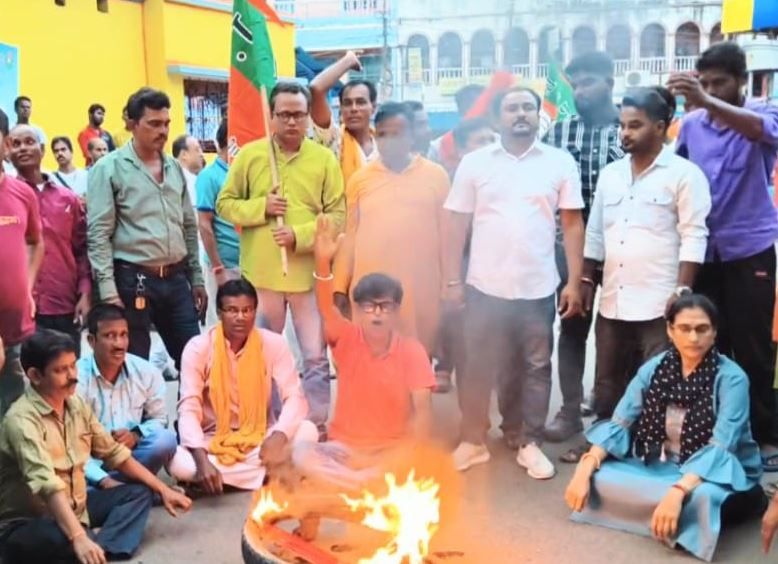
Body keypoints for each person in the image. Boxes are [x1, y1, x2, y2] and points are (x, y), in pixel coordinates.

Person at [445, 87, 585, 479]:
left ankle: (530, 443)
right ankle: (473, 442)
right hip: (483, 288)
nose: (520, 113)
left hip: (537, 287)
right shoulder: (475, 163)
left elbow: (572, 224)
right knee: (475, 365)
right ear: (497, 117)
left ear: (538, 115)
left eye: (528, 107)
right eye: (512, 108)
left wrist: (575, 281)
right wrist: (451, 279)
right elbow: (455, 224)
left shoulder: (559, 163)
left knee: (537, 367)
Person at [564, 294, 765, 562]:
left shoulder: (732, 378)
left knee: (703, 497)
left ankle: (673, 511)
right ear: (670, 331)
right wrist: (584, 467)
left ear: (714, 333)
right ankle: (669, 515)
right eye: (684, 328)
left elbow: (722, 446)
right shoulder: (654, 369)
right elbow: (620, 421)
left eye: (702, 329)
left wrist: (678, 491)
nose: (693, 338)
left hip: (717, 472)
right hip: (663, 462)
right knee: (599, 477)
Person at [217, 82, 345, 434]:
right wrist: (262, 208)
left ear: (308, 117)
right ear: (271, 117)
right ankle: (270, 423)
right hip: (262, 276)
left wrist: (300, 236)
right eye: (284, 114)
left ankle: (315, 424)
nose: (292, 122)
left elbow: (338, 215)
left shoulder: (323, 159)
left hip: (307, 275)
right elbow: (224, 205)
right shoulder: (250, 156)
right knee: (263, 356)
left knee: (315, 356)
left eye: (299, 115)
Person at [583, 86, 711, 436]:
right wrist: (584, 283)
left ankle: (652, 446)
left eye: (635, 125)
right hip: (613, 299)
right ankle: (601, 442)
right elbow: (595, 233)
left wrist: (682, 289)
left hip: (659, 301)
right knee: (606, 380)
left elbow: (694, 235)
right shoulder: (611, 175)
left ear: (660, 126)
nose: (625, 133)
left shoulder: (685, 175)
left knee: (658, 378)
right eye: (622, 125)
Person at [0, 330, 191, 563]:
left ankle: (99, 552)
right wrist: (78, 536)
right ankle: (84, 545)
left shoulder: (74, 404)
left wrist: (164, 489)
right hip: (31, 522)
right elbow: (47, 485)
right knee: (63, 537)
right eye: (61, 370)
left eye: (73, 366)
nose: (73, 376)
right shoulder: (21, 421)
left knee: (138, 493)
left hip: (77, 508)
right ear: (35, 375)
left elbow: (114, 453)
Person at [669, 42, 778, 452]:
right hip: (703, 252)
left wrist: (705, 100)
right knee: (706, 342)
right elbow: (675, 175)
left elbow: (761, 132)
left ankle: (763, 436)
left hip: (749, 249)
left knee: (752, 347)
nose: (712, 89)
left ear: (742, 81)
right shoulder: (692, 126)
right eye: (705, 82)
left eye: (720, 83)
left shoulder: (764, 113)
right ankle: (714, 432)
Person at [291, 214, 434, 503]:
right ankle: (362, 487)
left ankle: (353, 488)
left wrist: (409, 456)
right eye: (369, 306)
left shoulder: (412, 351)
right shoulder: (346, 338)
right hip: (344, 450)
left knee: (412, 465)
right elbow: (325, 306)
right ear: (356, 310)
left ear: (396, 310)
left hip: (389, 453)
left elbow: (423, 416)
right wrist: (322, 261)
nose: (378, 313)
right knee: (301, 453)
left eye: (385, 306)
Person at [87, 87, 206, 371]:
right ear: (132, 124)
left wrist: (197, 278)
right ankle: (144, 418)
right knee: (134, 365)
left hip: (176, 278)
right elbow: (98, 234)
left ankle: (187, 417)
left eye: (166, 123)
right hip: (133, 281)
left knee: (195, 361)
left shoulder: (175, 168)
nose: (162, 130)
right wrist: (108, 291)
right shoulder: (109, 168)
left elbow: (189, 225)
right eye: (154, 123)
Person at [543, 52, 625, 445]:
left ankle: (613, 414)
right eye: (575, 85)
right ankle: (569, 411)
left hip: (622, 251)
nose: (580, 92)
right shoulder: (558, 133)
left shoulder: (630, 126)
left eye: (588, 82)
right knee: (572, 329)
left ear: (610, 82)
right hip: (570, 253)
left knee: (615, 334)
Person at [168, 279, 316, 494]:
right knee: (179, 463)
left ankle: (219, 482)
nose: (240, 317)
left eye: (247, 310)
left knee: (308, 431)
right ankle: (271, 475)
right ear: (219, 313)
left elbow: (294, 397)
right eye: (232, 310)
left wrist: (279, 436)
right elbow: (188, 407)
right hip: (214, 441)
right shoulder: (198, 348)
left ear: (255, 312)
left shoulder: (273, 343)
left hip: (261, 440)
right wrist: (201, 461)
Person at [333, 102, 449, 355]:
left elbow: (446, 236)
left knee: (416, 362)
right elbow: (350, 236)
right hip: (371, 291)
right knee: (373, 363)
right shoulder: (360, 180)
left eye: (396, 133)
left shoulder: (436, 176)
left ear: (411, 136)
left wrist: (449, 285)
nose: (389, 141)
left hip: (421, 290)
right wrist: (340, 286)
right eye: (383, 134)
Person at [8, 125, 91, 357]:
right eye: (16, 144)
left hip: (64, 304)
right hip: (20, 310)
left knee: (66, 376)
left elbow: (81, 249)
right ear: (7, 150)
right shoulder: (6, 198)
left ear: (42, 150)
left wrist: (85, 292)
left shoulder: (68, 199)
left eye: (28, 142)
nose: (23, 148)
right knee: (25, 381)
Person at [77, 304, 177, 490]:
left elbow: (160, 419)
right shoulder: (76, 379)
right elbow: (72, 442)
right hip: (91, 462)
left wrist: (136, 435)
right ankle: (137, 490)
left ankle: (128, 491)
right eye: (110, 336)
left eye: (123, 335)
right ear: (91, 341)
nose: (119, 344)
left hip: (131, 456)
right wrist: (100, 475)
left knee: (165, 440)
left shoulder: (146, 372)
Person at [433, 117, 495, 393]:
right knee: (452, 318)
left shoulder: (500, 178)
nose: (489, 147)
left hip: (493, 265)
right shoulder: (447, 179)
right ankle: (444, 367)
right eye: (481, 142)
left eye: (491, 140)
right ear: (460, 150)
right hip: (456, 260)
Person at [0, 109, 44, 418]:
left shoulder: (22, 193)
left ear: (4, 143)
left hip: (18, 325)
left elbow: (35, 242)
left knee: (17, 412)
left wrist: (27, 289)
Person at [309, 51, 379, 185]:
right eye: (347, 103)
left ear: (373, 107)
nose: (353, 108)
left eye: (360, 102)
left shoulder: (383, 145)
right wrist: (348, 60)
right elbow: (316, 88)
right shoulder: (334, 139)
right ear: (340, 109)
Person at [197, 119, 240, 326]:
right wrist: (218, 268)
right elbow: (205, 225)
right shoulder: (209, 176)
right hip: (223, 264)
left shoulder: (244, 172)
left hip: (248, 264)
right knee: (221, 324)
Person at [172, 134, 204, 213]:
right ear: (184, 155)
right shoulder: (175, 181)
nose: (201, 154)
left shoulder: (197, 180)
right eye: (197, 150)